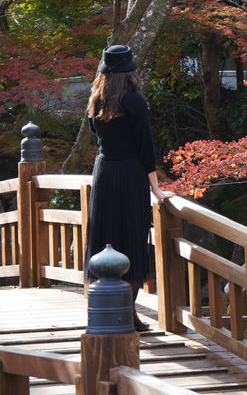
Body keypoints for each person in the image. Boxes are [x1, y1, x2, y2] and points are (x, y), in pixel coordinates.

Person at [84, 44, 172, 331]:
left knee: (106, 235)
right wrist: (157, 191)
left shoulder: (96, 100)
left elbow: (94, 134)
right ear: (130, 71)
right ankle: (128, 312)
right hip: (131, 174)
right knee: (132, 237)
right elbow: (146, 148)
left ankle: (105, 308)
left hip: (105, 172)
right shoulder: (134, 101)